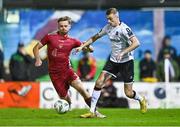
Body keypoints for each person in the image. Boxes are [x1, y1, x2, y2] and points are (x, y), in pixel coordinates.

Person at [76, 8, 147, 118]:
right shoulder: (108, 27)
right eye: (107, 19)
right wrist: (82, 46)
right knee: (99, 82)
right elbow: (95, 37)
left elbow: (136, 43)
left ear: (117, 16)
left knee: (128, 93)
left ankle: (141, 99)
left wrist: (123, 52)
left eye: (110, 19)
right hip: (113, 61)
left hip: (126, 62)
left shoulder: (124, 29)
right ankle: (92, 111)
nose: (108, 21)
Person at [33, 16, 104, 117]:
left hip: (68, 71)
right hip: (55, 74)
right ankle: (68, 104)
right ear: (58, 26)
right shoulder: (49, 37)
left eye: (65, 26)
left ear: (70, 26)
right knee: (65, 98)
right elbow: (36, 48)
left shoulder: (73, 41)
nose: (63, 28)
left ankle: (95, 112)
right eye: (61, 26)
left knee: (82, 90)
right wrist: (38, 59)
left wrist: (87, 47)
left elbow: (91, 49)